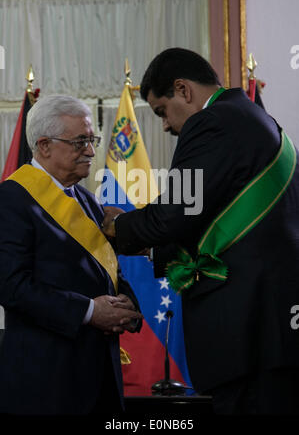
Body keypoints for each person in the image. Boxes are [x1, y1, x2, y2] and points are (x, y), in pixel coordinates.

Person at [102, 48, 299, 415]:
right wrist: (152, 248)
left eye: (161, 111)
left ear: (183, 89)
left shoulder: (213, 123)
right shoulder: (255, 119)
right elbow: (214, 221)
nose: (164, 125)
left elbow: (177, 211)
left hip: (248, 327)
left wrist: (118, 226)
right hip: (272, 326)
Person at [0, 94, 142, 416]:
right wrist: (90, 311)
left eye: (92, 140)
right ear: (45, 145)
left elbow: (106, 269)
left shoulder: (88, 200)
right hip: (46, 381)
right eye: (80, 142)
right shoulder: (11, 200)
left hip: (101, 372)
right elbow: (11, 286)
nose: (91, 151)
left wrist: (127, 304)